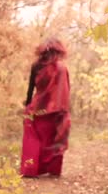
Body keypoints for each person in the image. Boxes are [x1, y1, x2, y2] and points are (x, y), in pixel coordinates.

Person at [20, 38, 71, 177]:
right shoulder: (62, 68)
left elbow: (30, 89)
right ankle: (52, 170)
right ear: (59, 51)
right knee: (53, 139)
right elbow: (65, 91)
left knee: (33, 141)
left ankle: (30, 170)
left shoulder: (36, 65)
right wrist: (63, 111)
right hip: (55, 110)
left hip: (37, 109)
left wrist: (28, 106)